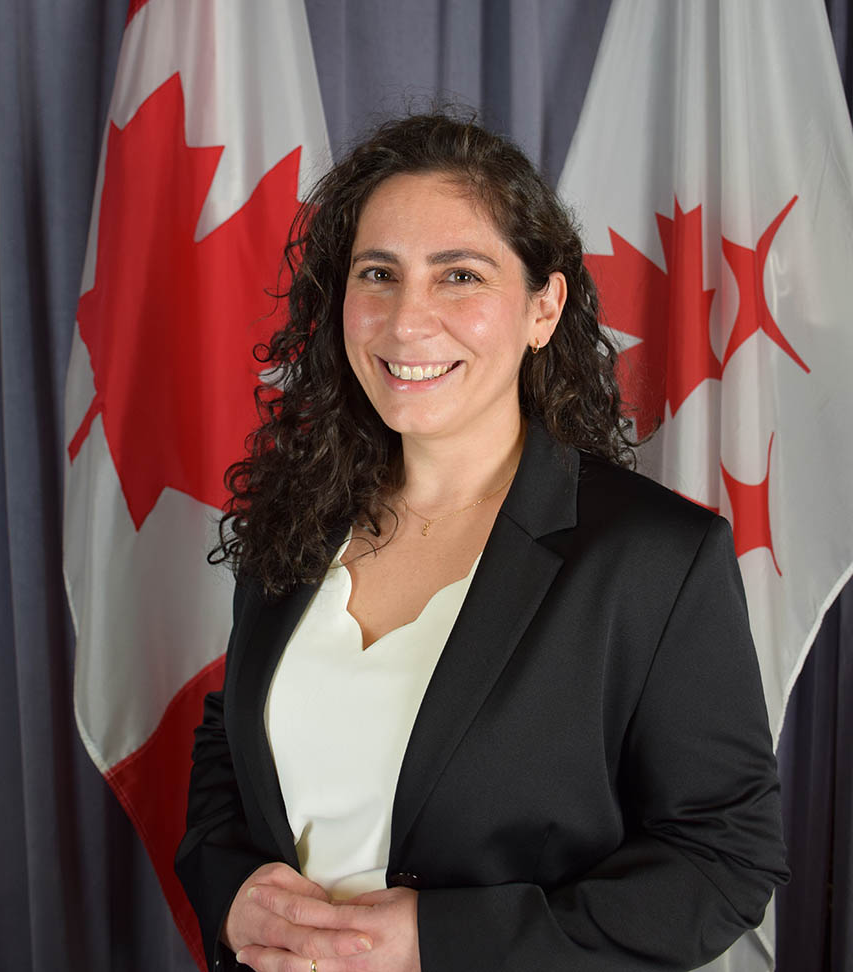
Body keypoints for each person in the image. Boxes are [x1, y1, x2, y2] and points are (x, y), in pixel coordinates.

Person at [175, 112, 788, 972]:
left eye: (459, 275)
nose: (406, 321)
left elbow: (726, 861)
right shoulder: (300, 519)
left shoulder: (655, 559)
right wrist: (232, 892)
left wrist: (442, 941)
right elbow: (226, 750)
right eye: (378, 274)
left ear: (544, 308)